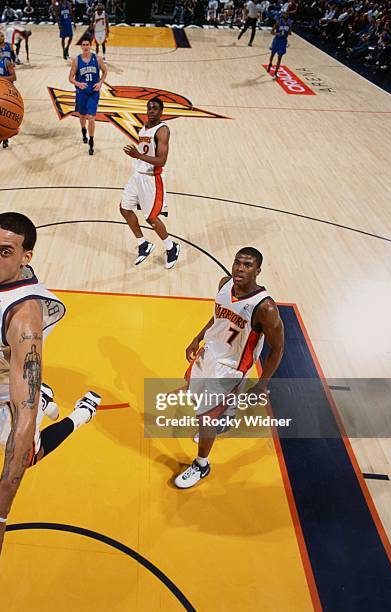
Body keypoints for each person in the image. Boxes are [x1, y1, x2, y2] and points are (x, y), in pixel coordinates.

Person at [0, 140, 102, 581]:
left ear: (26, 257)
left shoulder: (23, 317)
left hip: (2, 404)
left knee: (24, 451)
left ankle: (79, 416)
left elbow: (24, 415)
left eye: (5, 251)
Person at [174, 247, 284, 489]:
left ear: (258, 270)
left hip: (231, 367)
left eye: (247, 265)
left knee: (206, 418)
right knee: (194, 393)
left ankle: (201, 464)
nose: (240, 269)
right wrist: (198, 337)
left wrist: (262, 384)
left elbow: (277, 348)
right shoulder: (224, 284)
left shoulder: (265, 308)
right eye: (237, 263)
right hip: (209, 353)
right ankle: (226, 413)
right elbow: (218, 317)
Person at [120, 97, 180, 270]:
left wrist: (137, 156)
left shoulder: (163, 131)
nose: (151, 111)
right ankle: (143, 244)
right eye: (149, 108)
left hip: (151, 179)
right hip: (137, 175)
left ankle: (171, 247)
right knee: (124, 208)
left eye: (154, 109)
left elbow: (162, 160)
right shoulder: (144, 127)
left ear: (161, 111)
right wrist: (137, 157)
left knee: (151, 217)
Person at [69, 35, 107, 155]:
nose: (85, 47)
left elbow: (105, 71)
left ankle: (91, 141)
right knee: (82, 116)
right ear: (81, 46)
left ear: (91, 46)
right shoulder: (76, 60)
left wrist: (100, 82)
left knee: (91, 118)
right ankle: (83, 130)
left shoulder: (98, 59)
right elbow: (70, 78)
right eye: (83, 45)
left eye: (87, 45)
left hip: (93, 93)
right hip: (81, 93)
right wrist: (78, 84)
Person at [267, 12, 293, 78]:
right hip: (277, 40)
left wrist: (289, 30)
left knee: (280, 57)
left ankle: (275, 72)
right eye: (285, 13)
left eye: (287, 14)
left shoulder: (289, 22)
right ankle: (270, 63)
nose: (286, 15)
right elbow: (272, 32)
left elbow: (290, 32)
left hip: (283, 41)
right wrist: (278, 34)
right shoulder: (278, 22)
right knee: (272, 54)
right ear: (283, 14)